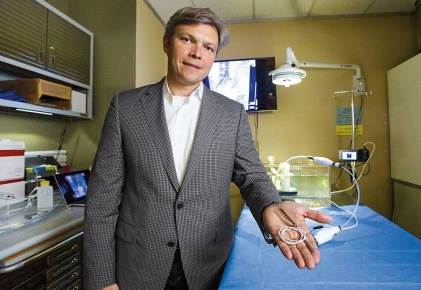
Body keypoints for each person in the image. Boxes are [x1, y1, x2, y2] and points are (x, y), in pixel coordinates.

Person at [83, 6, 332, 290]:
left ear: (214, 56)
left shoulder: (231, 113)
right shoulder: (125, 108)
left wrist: (270, 206)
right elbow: (102, 202)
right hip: (138, 266)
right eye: (187, 40)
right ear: (167, 42)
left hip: (208, 266)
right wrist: (103, 280)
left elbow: (252, 176)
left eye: (209, 47)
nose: (197, 53)